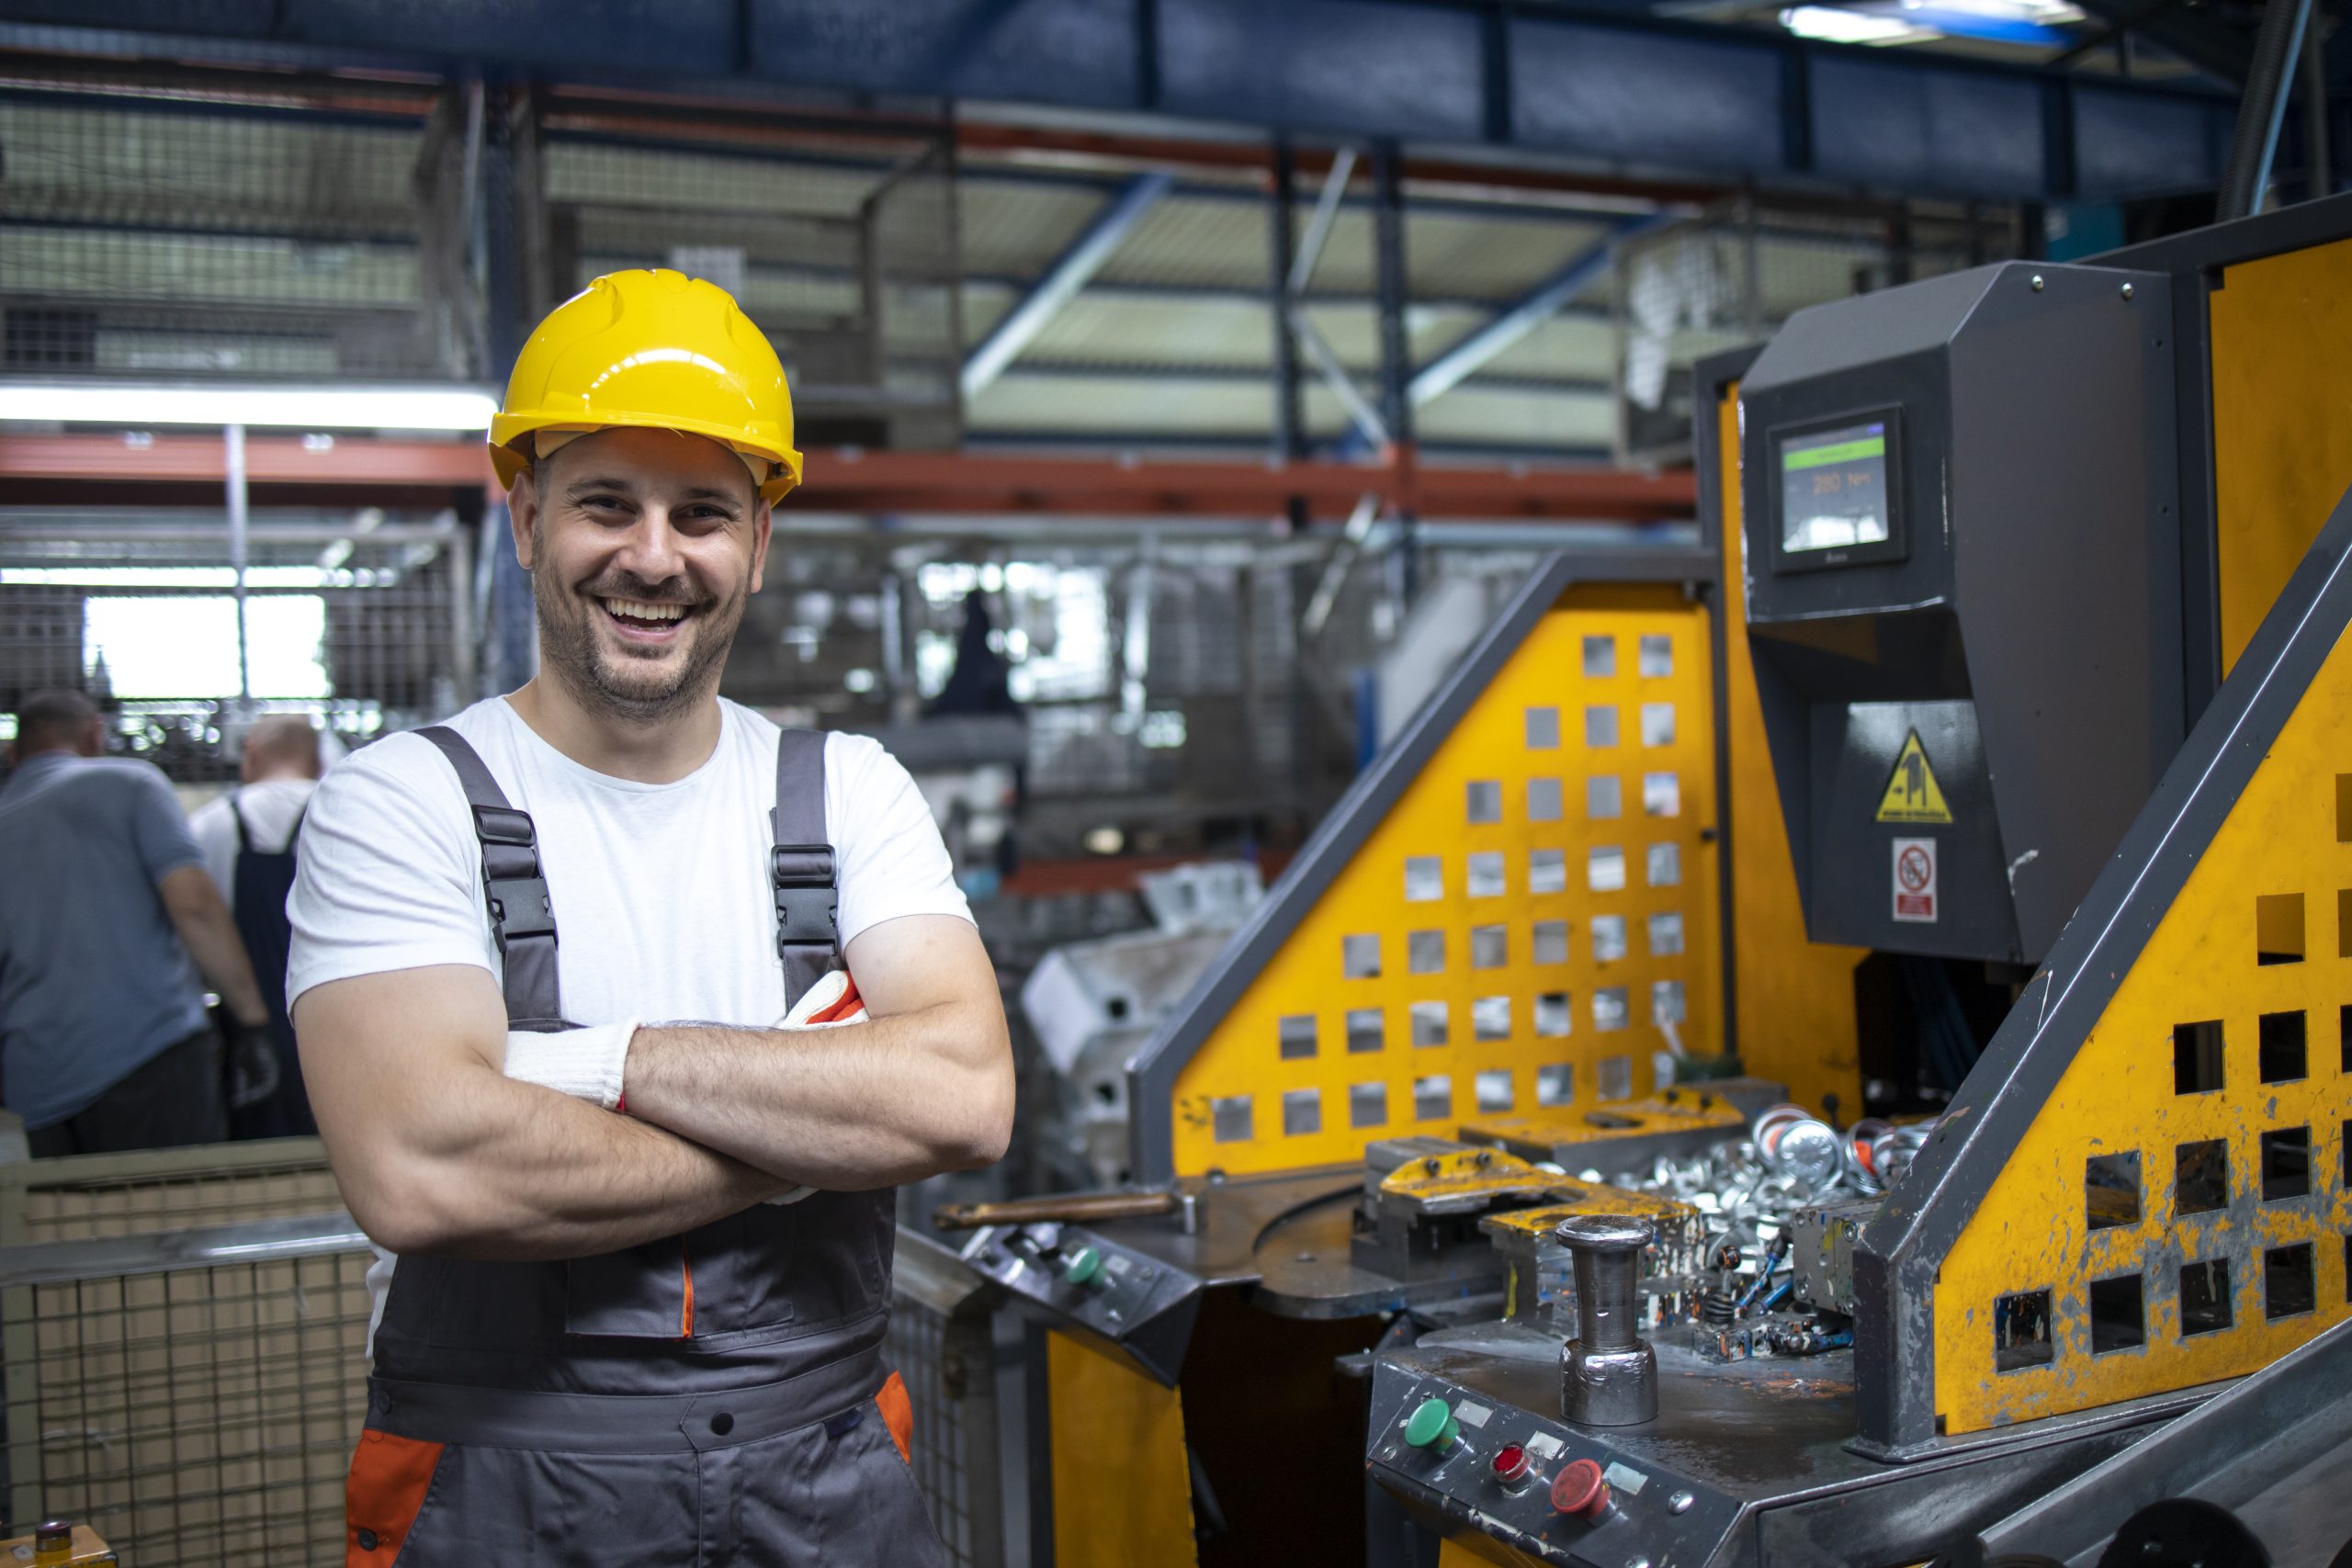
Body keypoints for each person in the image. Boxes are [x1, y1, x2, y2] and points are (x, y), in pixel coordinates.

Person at [288, 268, 1012, 1567]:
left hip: (832, 1475)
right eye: (606, 503)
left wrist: (592, 1063)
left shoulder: (848, 792)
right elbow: (422, 1163)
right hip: (506, 1482)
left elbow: (961, 1097)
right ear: (523, 517)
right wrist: (812, 1139)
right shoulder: (402, 802)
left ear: (758, 543)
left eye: (704, 513)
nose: (654, 556)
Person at [0, 689, 270, 1155]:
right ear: (95, 735)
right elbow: (195, 908)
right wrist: (252, 1021)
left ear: (13, 753)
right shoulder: (130, 785)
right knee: (175, 1213)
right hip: (150, 1056)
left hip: (36, 1079)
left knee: (65, 1223)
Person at [188, 715, 324, 1138]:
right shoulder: (344, 812)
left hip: (246, 1037)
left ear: (250, 752)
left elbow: (194, 927)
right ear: (316, 758)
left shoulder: (208, 825)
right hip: (336, 1024)